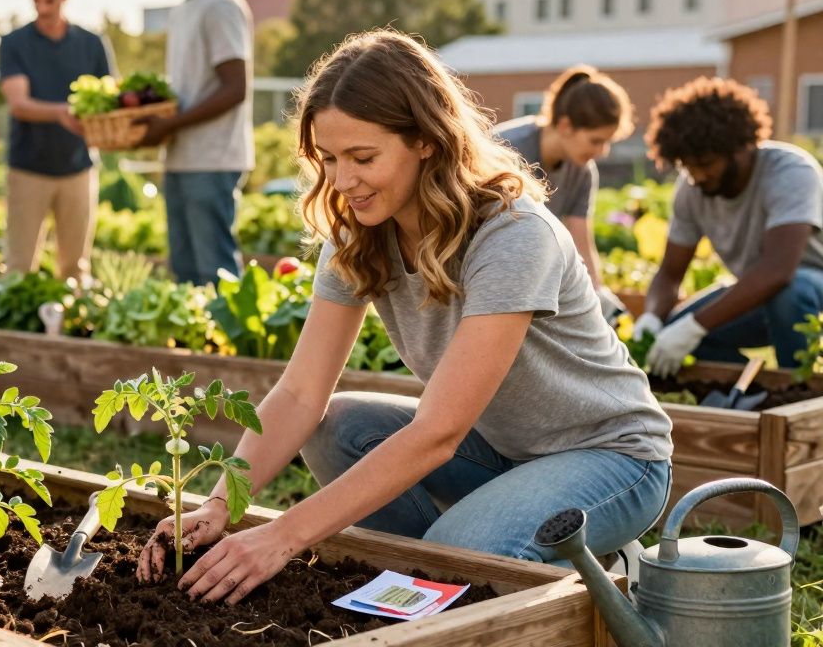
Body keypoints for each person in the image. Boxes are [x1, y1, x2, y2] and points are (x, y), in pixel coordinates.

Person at [134, 30, 673, 603]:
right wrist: (223, 502)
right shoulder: (361, 234)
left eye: (363, 158)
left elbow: (438, 433)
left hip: (611, 455)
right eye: (330, 159)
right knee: (336, 426)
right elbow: (298, 395)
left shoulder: (512, 235)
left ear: (425, 140)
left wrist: (283, 537)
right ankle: (436, 584)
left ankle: (492, 569)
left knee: (462, 547)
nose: (342, 182)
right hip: (502, 450)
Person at [635, 77, 823, 376]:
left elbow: (778, 271)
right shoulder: (692, 187)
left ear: (742, 146)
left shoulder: (790, 172)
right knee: (673, 333)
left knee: (790, 292)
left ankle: (799, 393)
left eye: (707, 163)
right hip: (758, 289)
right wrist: (652, 317)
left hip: (808, 290)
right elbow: (670, 274)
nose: (697, 175)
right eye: (688, 165)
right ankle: (756, 386)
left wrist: (695, 326)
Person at [135, 0, 253, 286]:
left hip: (213, 160)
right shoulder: (184, 11)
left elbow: (236, 88)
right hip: (182, 159)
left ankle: (224, 344)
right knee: (185, 273)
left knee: (214, 271)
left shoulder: (219, 6)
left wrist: (169, 124)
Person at [0, 0, 112, 282]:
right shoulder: (14, 43)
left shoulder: (91, 44)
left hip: (78, 168)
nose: (43, 8)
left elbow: (109, 99)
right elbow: (19, 104)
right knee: (19, 266)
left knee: (75, 268)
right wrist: (63, 113)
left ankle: (70, 329)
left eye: (50, 0)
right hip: (28, 169)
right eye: (37, 0)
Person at [494, 66, 634, 322]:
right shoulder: (505, 150)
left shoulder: (582, 170)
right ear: (565, 125)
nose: (603, 152)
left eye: (607, 142)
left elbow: (580, 237)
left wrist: (597, 292)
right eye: (596, 140)